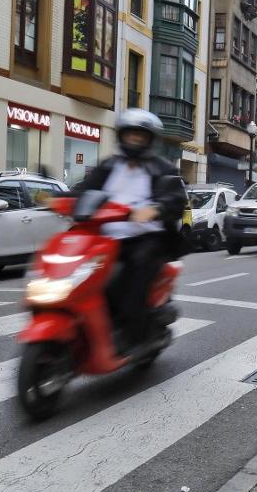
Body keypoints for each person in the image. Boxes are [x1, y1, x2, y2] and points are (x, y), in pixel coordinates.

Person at [75, 109, 188, 350]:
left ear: (150, 139)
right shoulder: (108, 166)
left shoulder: (163, 168)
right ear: (121, 136)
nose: (135, 139)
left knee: (134, 274)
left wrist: (157, 208)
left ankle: (133, 335)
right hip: (104, 237)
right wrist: (58, 199)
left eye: (140, 136)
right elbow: (84, 189)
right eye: (130, 134)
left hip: (145, 238)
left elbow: (176, 198)